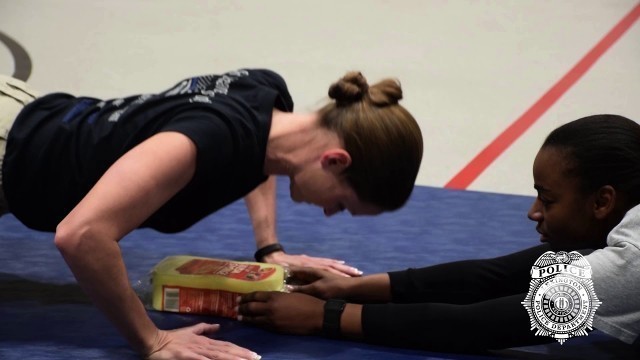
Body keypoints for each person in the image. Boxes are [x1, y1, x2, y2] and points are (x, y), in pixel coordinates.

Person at [0, 70, 424, 359]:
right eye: (344, 204)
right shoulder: (205, 139)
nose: (331, 213)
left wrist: (270, 249)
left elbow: (260, 158)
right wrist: (152, 340)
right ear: (334, 161)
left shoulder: (266, 96)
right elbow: (80, 234)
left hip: (28, 113)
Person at [237, 114, 640, 354]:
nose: (533, 212)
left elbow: (480, 326)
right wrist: (351, 288)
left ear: (603, 201)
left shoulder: (631, 263)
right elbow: (503, 275)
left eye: (548, 200)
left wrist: (323, 318)